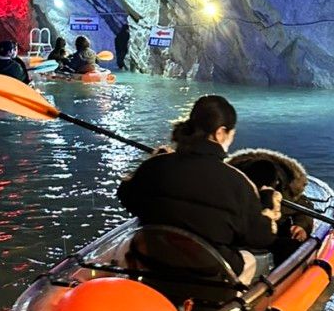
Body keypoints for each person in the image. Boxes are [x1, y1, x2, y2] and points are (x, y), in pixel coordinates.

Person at [117, 95, 282, 285]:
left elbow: (126, 196)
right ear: (220, 133)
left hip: (153, 265)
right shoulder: (237, 182)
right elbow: (261, 238)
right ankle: (231, 305)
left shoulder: (154, 167)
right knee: (250, 258)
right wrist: (268, 200)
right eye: (231, 134)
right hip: (206, 276)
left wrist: (155, 160)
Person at [225, 149, 314, 264]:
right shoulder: (229, 184)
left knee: (290, 247)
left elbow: (304, 209)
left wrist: (301, 226)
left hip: (272, 235)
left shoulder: (288, 192)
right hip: (236, 234)